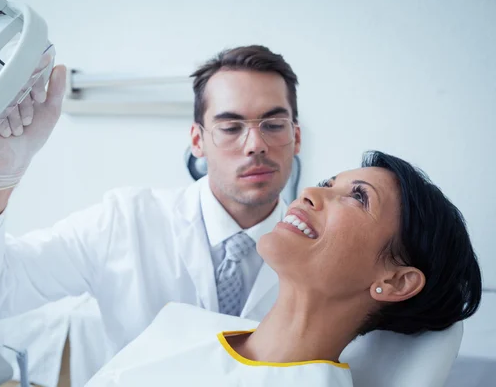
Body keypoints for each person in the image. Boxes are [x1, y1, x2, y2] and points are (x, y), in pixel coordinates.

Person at [0, 45, 303, 376]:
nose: (255, 145)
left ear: (296, 136)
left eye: (273, 124)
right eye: (231, 127)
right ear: (197, 140)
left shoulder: (324, 248)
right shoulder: (126, 222)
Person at [86, 151, 483, 387]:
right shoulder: (180, 325)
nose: (310, 192)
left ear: (396, 280)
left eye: (358, 198)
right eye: (329, 182)